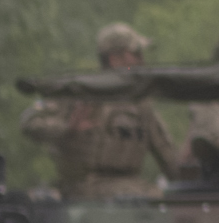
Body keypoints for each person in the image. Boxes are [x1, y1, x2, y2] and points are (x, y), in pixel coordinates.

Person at [21, 22, 175, 197]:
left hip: (129, 189)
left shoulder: (141, 103)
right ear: (114, 58)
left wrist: (192, 187)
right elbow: (29, 123)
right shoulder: (78, 91)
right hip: (80, 190)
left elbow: (167, 154)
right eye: (136, 54)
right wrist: (67, 127)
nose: (142, 61)